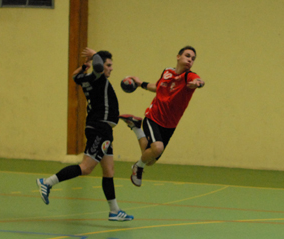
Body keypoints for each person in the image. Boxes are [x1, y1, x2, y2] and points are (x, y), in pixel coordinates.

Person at [36, 47, 134, 222]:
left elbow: (74, 76)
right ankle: (47, 182)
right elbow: (98, 66)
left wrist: (83, 67)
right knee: (86, 168)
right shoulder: (98, 77)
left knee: (109, 170)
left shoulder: (86, 78)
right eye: (108, 65)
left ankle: (114, 211)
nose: (111, 68)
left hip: (103, 129)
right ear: (100, 65)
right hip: (100, 128)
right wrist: (95, 56)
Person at [118, 46, 205, 187]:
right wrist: (140, 84)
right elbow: (158, 88)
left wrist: (198, 83)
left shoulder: (189, 77)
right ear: (178, 57)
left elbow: (199, 80)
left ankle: (136, 127)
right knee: (157, 148)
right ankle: (138, 167)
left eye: (193, 58)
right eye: (187, 56)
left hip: (170, 125)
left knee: (150, 160)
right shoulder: (167, 72)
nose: (190, 60)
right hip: (153, 117)